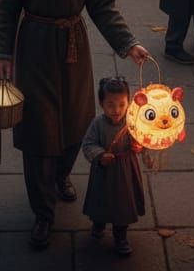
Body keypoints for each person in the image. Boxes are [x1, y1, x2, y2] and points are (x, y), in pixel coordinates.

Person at [0, 0, 150, 251]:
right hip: (34, 47)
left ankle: (60, 175)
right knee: (38, 129)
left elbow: (103, 6)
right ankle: (43, 212)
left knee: (78, 122)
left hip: (74, 48)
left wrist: (128, 44)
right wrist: (2, 51)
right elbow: (5, 9)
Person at [81, 75, 146, 257]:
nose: (116, 110)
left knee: (124, 203)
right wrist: (100, 155)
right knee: (101, 198)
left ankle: (120, 235)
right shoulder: (97, 124)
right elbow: (88, 144)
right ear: (102, 103)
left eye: (122, 104)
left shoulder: (131, 121)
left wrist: (137, 145)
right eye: (110, 105)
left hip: (126, 170)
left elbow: (140, 138)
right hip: (104, 171)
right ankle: (99, 223)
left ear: (128, 102)